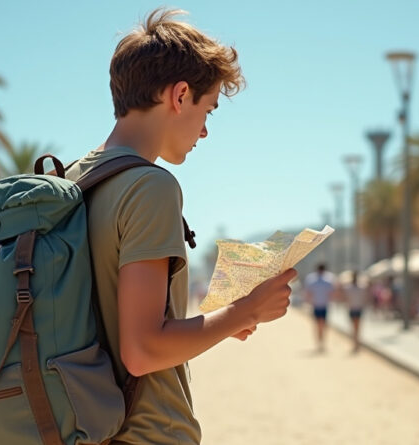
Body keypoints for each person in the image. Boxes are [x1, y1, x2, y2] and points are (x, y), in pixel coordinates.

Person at [62, 10, 296, 444]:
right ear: (181, 95)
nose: (204, 131)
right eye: (208, 110)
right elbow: (142, 349)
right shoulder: (149, 187)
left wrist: (223, 322)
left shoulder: (72, 179)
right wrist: (248, 310)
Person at [303, 264, 336, 352]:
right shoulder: (329, 278)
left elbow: (308, 293)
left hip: (318, 305)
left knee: (319, 325)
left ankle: (320, 342)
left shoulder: (312, 278)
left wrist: (307, 302)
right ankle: (321, 342)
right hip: (322, 305)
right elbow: (332, 293)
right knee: (321, 325)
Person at [341, 271, 365, 352]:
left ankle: (356, 343)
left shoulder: (349, 287)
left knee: (355, 327)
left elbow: (345, 298)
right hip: (355, 308)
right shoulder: (360, 287)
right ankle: (356, 342)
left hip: (355, 308)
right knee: (356, 327)